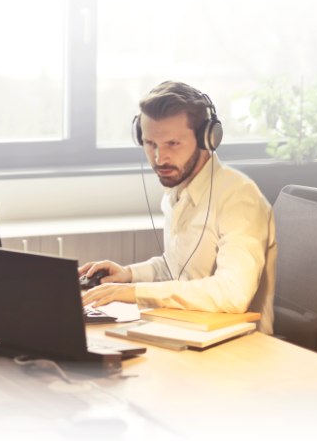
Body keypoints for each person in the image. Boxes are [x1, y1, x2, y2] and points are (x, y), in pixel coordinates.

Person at [81, 81, 277, 334]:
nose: (159, 159)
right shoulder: (176, 190)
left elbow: (233, 293)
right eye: (150, 144)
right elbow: (179, 270)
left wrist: (136, 292)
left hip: (238, 348)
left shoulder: (239, 199)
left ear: (208, 139)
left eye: (173, 144)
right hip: (187, 330)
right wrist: (128, 274)